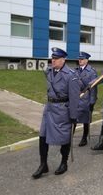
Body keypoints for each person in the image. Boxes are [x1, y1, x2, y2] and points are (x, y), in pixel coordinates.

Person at [32, 47, 81, 179]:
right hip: (49, 108)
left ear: (63, 60)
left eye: (56, 59)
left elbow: (75, 98)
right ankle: (43, 164)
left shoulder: (71, 75)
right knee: (42, 136)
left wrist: (73, 116)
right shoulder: (49, 71)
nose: (53, 61)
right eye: (52, 58)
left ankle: (64, 162)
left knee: (65, 137)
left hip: (62, 110)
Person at [74, 52, 98, 147]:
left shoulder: (91, 72)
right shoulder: (75, 70)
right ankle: (69, 137)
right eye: (79, 59)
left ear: (87, 60)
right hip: (76, 99)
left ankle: (84, 137)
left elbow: (93, 88)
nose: (80, 60)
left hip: (86, 99)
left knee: (85, 120)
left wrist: (92, 102)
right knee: (73, 118)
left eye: (82, 59)